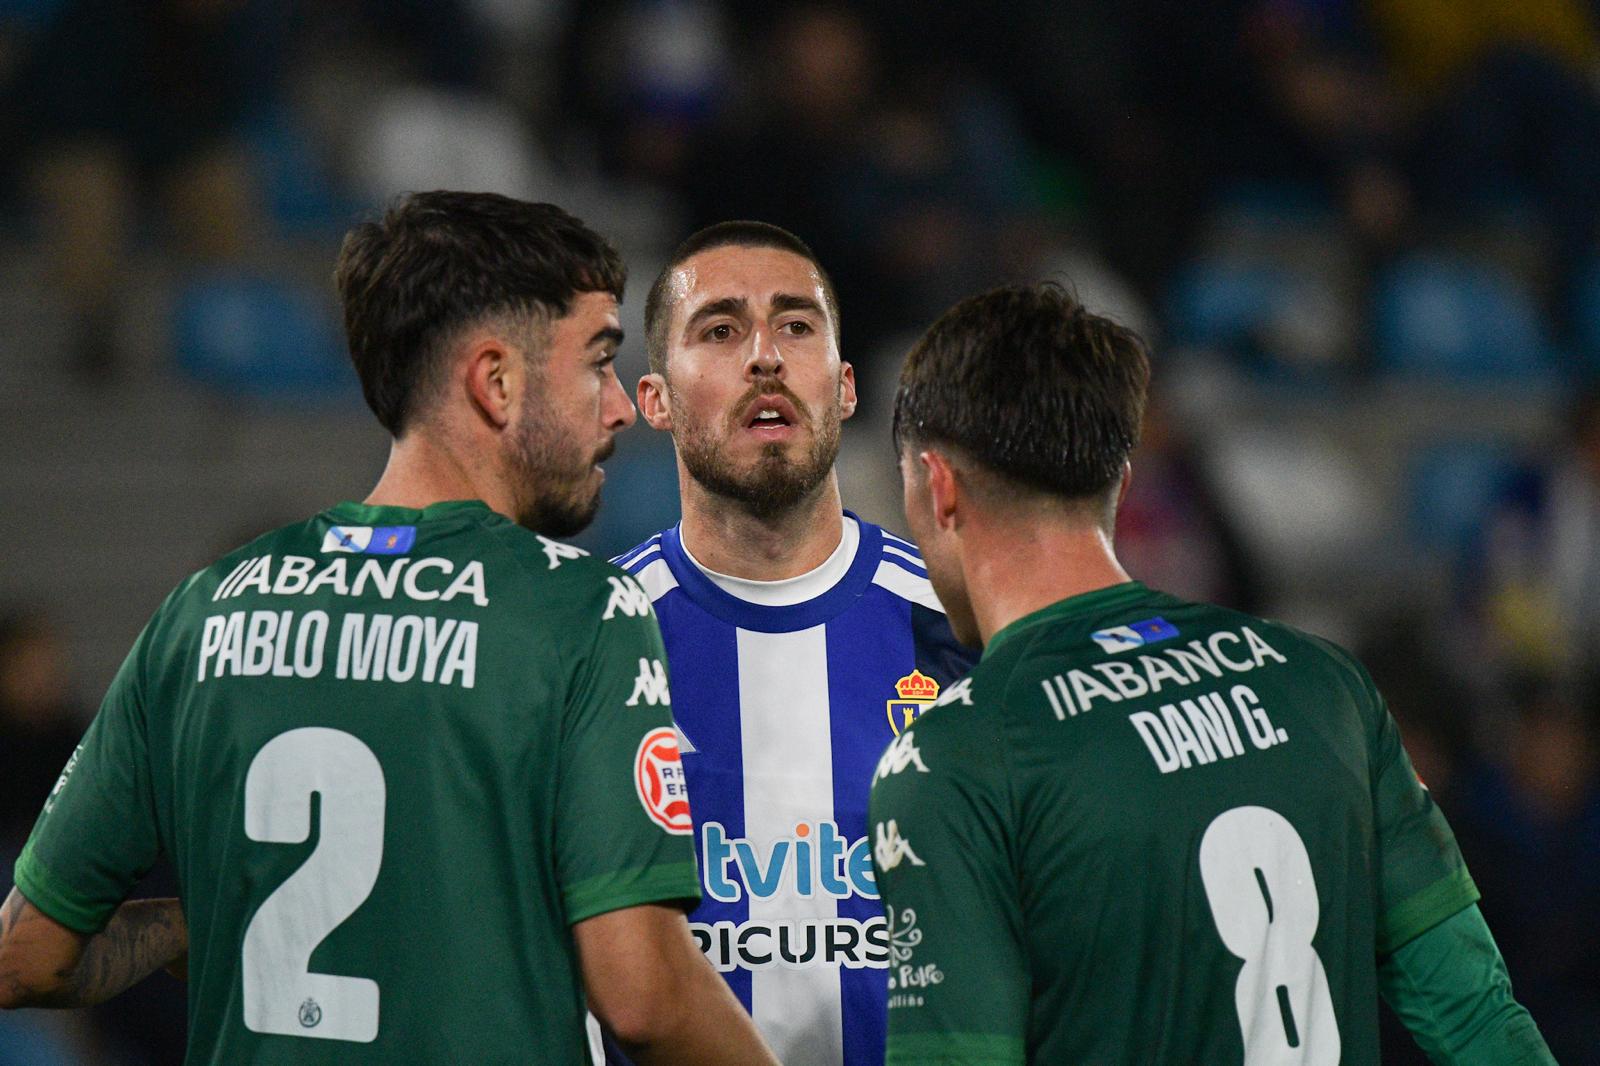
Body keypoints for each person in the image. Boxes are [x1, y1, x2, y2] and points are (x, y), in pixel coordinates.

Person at [0, 191, 780, 1066]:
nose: (621, 409)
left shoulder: (203, 610)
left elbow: (25, 958)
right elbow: (644, 995)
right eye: (598, 363)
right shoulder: (579, 613)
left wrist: (205, 920)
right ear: (496, 381)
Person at [869, 282, 1555, 1064]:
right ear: (1121, 482)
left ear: (938, 486)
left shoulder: (955, 758)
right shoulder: (1322, 684)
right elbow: (1479, 1019)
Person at [608, 221, 975, 1066]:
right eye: (722, 329)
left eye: (797, 325)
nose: (765, 355)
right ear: (654, 398)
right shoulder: (597, 636)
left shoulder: (960, 629)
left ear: (845, 387)